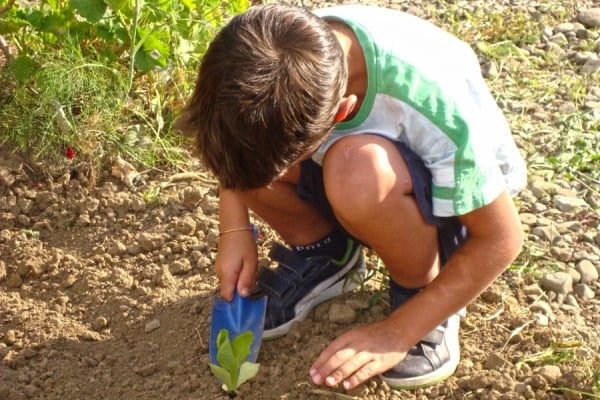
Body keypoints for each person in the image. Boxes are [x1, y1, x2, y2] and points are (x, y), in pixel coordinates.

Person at [177, 2, 526, 391]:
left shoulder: (430, 100)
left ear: (342, 112)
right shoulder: (258, 52)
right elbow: (234, 151)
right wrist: (233, 227)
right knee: (256, 160)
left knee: (357, 172)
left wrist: (399, 332)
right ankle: (328, 255)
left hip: (454, 205)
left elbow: (501, 238)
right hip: (351, 174)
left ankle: (420, 292)